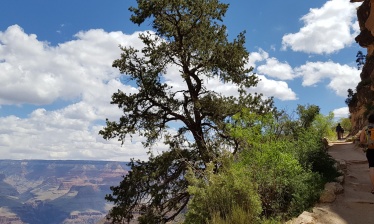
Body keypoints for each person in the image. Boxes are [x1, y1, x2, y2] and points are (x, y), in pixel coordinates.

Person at [360, 113, 374, 194]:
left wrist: (366, 143)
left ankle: (373, 188)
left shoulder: (365, 128)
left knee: (372, 167)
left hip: (370, 149)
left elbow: (361, 141)